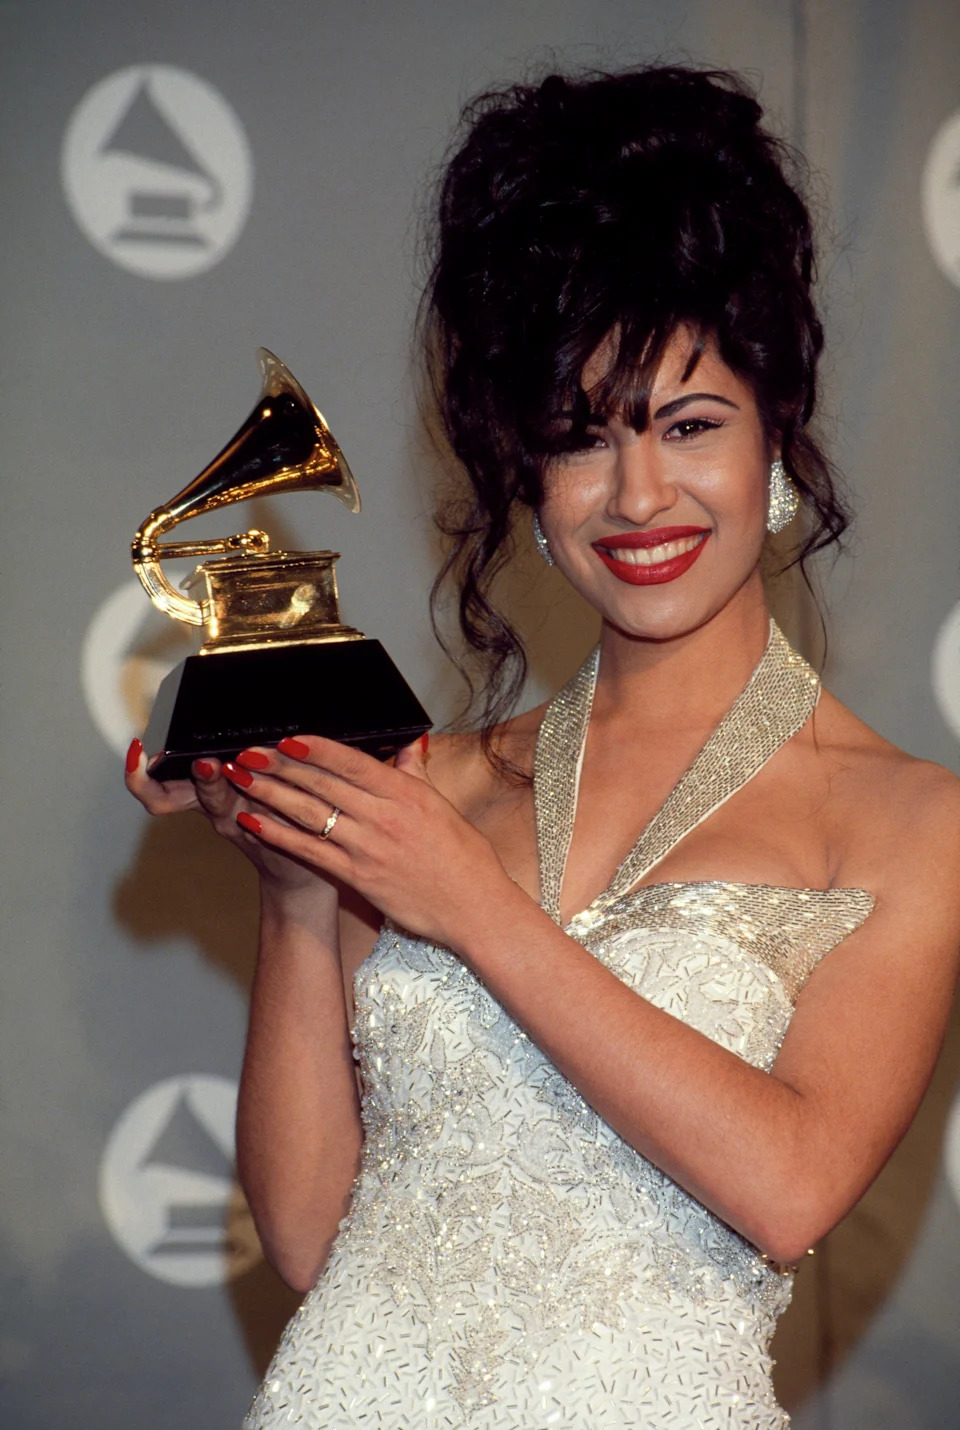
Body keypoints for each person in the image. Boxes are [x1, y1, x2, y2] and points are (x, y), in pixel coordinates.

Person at [126, 65, 960, 1430]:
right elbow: (315, 1242)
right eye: (579, 443)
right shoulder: (435, 786)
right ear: (527, 475)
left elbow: (791, 1180)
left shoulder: (907, 822)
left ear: (776, 442)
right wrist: (295, 895)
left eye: (688, 425)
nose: (637, 496)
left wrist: (470, 904)